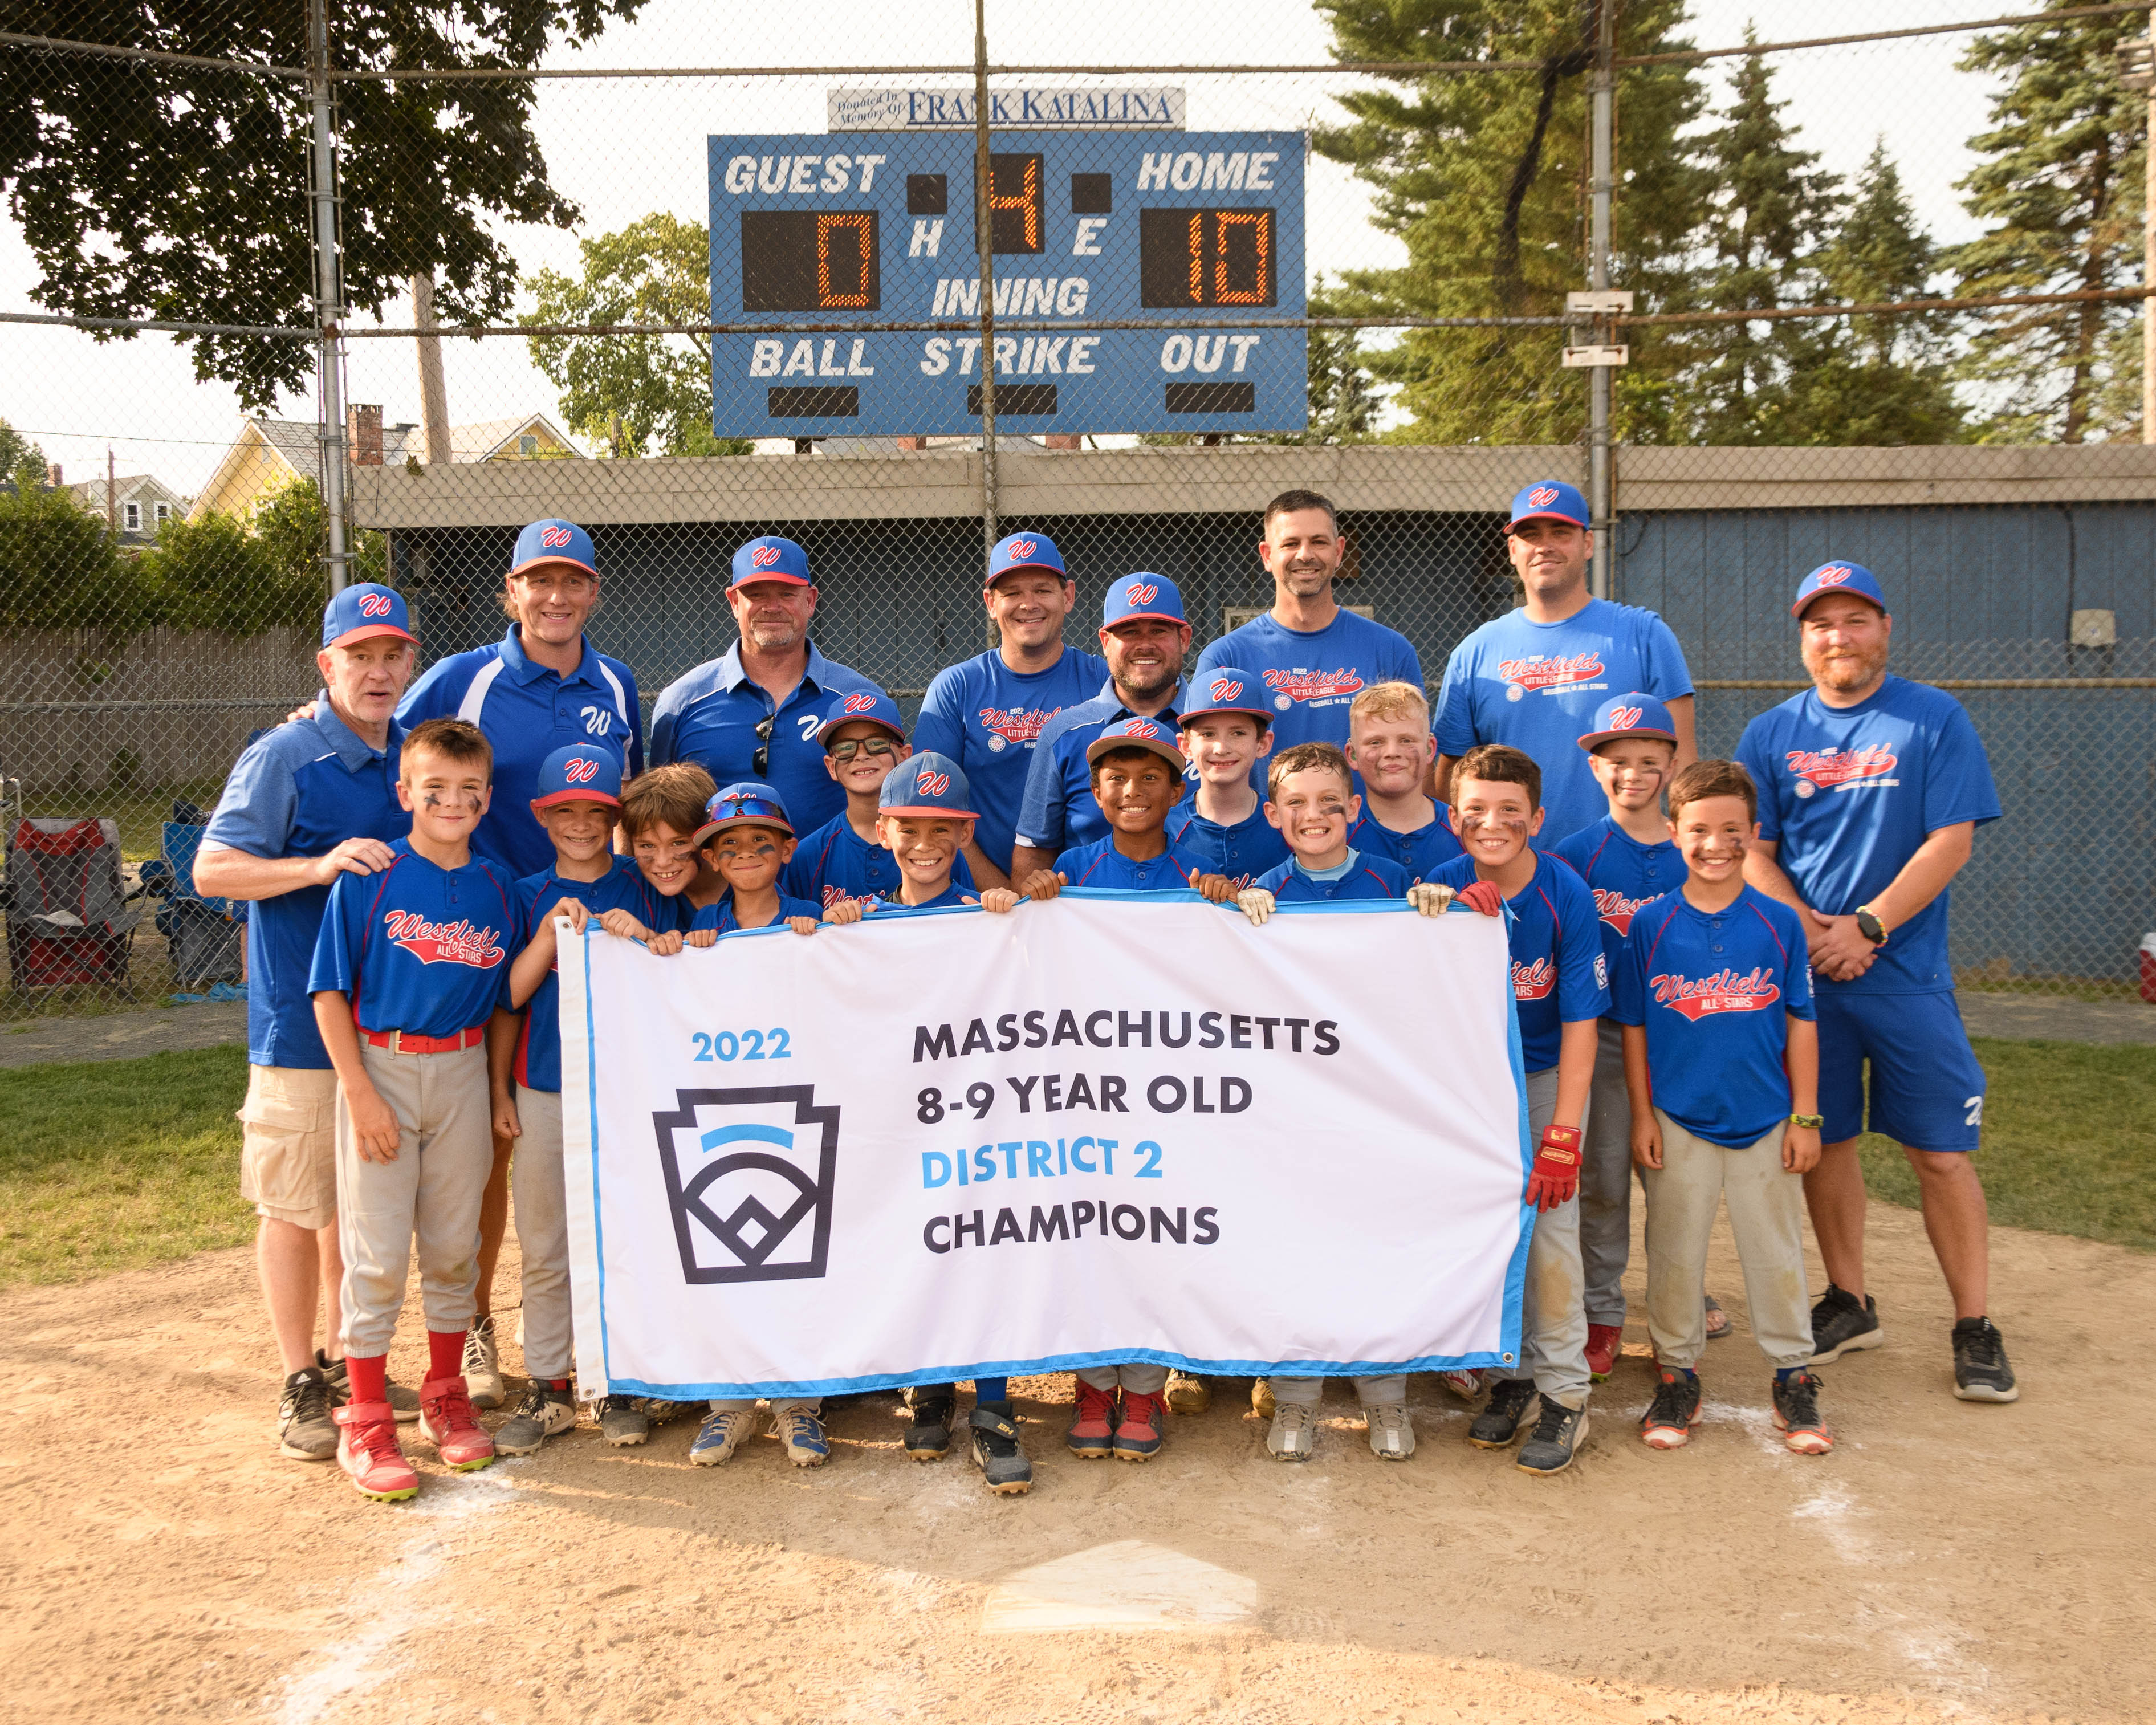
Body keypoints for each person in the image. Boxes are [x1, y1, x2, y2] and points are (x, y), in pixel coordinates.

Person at [1734, 562, 2013, 1402]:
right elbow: (1755, 850)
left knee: (1940, 1153)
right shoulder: (1772, 731)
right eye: (1820, 624)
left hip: (1905, 975)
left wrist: (1867, 925)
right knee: (1827, 1141)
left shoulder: (1931, 718)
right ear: (1802, 640)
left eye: (1853, 620)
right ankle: (1849, 1300)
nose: (1837, 637)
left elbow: (1950, 839)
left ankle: (1973, 1323)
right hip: (1813, 977)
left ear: (1883, 629)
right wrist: (1812, 934)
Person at [394, 516, 642, 1413]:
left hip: (570, 914)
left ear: (593, 593)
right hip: (481, 910)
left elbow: (626, 796)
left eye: (573, 580)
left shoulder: (614, 682)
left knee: (547, 1152)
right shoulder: (464, 675)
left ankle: (593, 1339)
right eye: (539, 580)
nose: (556, 596)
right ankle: (475, 1329)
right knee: (487, 1150)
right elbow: (402, 750)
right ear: (511, 591)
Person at [194, 583, 421, 1464]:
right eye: (358, 655)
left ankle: (346, 1360)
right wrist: (313, 865)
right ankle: (300, 1375)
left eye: (391, 654)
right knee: (295, 1203)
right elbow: (213, 870)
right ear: (326, 665)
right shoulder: (286, 755)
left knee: (355, 1207)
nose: (376, 669)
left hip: (388, 1020)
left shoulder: (409, 752)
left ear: (411, 665)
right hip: (298, 1019)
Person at [307, 718, 520, 1501]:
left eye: (468, 789)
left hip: (463, 1068)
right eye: (434, 788)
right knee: (375, 1251)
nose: (451, 801)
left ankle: (443, 1392)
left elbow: (503, 1003)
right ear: (404, 793)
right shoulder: (370, 877)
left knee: (453, 1247)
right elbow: (329, 991)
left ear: (487, 797)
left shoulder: (498, 886)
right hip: (382, 1065)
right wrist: (359, 1091)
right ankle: (364, 1411)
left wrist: (496, 1087)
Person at [1229, 741, 1460, 1463]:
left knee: (1374, 1244)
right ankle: (1296, 1398)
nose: (1314, 815)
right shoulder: (1261, 891)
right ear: (1272, 814)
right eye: (1295, 803)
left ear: (1356, 810)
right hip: (1289, 1112)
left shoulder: (1395, 882)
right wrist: (1237, 922)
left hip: (1373, 1108)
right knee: (1295, 1246)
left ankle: (1383, 1396)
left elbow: (1434, 983)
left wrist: (1434, 918)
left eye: (1331, 801)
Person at [1015, 721, 1234, 1462]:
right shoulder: (1073, 868)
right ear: (1094, 789)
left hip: (1170, 1093)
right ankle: (1090, 1380)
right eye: (1114, 777)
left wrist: (1223, 905)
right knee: (1091, 1230)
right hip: (1087, 1093)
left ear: (1178, 790)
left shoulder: (1199, 868)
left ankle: (1142, 1385)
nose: (1131, 791)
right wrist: (1035, 895)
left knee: (1157, 1234)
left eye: (1149, 778)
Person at [823, 756, 1034, 1491]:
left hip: (981, 1119)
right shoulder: (862, 921)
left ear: (963, 832)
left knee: (989, 1247)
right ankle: (934, 1385)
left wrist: (1015, 921)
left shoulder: (991, 919)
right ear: (883, 830)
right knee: (915, 1246)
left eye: (941, 829)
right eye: (909, 827)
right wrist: (826, 933)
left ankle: (997, 1403)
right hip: (898, 1124)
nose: (925, 843)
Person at [1616, 759, 1832, 1455]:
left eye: (1732, 829)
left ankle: (1791, 1374)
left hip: (1765, 1115)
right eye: (1700, 828)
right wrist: (1644, 1116)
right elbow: (1636, 1029)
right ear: (1672, 831)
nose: (1716, 842)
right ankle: (1677, 1372)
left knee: (1773, 1250)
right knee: (1673, 1251)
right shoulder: (1649, 923)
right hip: (1677, 1116)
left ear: (1753, 832)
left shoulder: (1777, 922)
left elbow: (1801, 1018)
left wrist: (1803, 1115)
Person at [1427, 744, 1609, 1475]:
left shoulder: (1566, 893)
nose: (1491, 823)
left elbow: (1578, 1024)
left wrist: (1563, 1131)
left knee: (1552, 1230)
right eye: (1474, 810)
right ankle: (1513, 1375)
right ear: (1451, 818)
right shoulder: (1437, 885)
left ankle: (1566, 1392)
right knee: (1491, 1231)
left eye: (1509, 811)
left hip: (1540, 1077)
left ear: (1536, 817)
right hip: (1470, 1087)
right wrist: (1441, 920)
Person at [490, 744, 673, 1458]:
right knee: (545, 1242)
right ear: (542, 816)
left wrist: (645, 935)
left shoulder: (642, 882)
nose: (580, 823)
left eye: (595, 811)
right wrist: (546, 938)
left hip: (630, 1090)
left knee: (630, 1236)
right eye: (564, 811)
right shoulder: (526, 889)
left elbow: (680, 962)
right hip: (545, 1085)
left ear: (613, 816)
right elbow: (507, 996)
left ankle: (620, 1379)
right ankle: (550, 1382)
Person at [1548, 693, 1701, 1381]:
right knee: (1603, 1180)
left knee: (1681, 1185)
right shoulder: (1575, 855)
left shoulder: (1695, 848)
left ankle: (1678, 1310)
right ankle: (1602, 1311)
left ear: (1672, 763)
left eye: (1648, 760)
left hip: (1688, 1037)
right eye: (1615, 760)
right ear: (1592, 767)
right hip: (1608, 1038)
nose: (1631, 773)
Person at [676, 783, 829, 1469]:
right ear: (709, 856)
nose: (744, 854)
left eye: (761, 843)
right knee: (723, 1256)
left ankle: (800, 1403)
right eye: (728, 846)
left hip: (804, 1107)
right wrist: (683, 955)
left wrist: (836, 933)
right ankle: (727, 1403)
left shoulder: (815, 918)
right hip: (727, 1112)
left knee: (803, 1256)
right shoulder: (702, 931)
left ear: (787, 849)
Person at [1433, 481, 1697, 842]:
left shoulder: (1644, 635)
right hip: (1511, 865)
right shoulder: (1475, 652)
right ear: (1513, 549)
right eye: (1531, 535)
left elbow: (1683, 770)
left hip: (1620, 868)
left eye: (1560, 532)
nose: (1545, 546)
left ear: (1588, 544)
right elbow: (1449, 782)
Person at [650, 535, 885, 836]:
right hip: (723, 880)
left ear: (810, 601)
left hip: (833, 880)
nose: (772, 607)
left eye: (787, 594)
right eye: (757, 595)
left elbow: (889, 805)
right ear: (735, 603)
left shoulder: (859, 699)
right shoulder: (682, 701)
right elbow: (655, 815)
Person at [1191, 489, 1423, 788]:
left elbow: (1416, 763)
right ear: (1267, 555)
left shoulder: (1391, 651)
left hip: (1363, 829)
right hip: (1261, 829)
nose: (1305, 554)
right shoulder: (1226, 657)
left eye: (1318, 542)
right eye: (1290, 543)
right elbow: (1203, 766)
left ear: (1339, 552)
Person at [913, 531, 1110, 876]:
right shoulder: (957, 687)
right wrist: (997, 891)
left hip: (1089, 890)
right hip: (982, 896)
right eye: (1012, 593)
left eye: (1043, 590)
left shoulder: (1103, 679)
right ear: (991, 603)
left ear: (1068, 596)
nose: (1028, 604)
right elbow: (933, 805)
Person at [1010, 574, 1195, 878]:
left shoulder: (1215, 727)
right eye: (1130, 632)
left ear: (1184, 639)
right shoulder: (1064, 732)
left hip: (1200, 915)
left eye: (1159, 631)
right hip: (1091, 917)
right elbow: (1034, 850)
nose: (1145, 645)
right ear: (1106, 643)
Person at [784, 689, 994, 910]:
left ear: (904, 756)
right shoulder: (810, 855)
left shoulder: (938, 848)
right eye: (845, 748)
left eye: (877, 744)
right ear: (830, 766)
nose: (861, 755)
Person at [1164, 666, 1289, 892]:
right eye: (1208, 734)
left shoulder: (1287, 824)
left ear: (1263, 743)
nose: (1221, 748)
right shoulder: (1166, 828)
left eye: (1238, 733)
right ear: (1186, 746)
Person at [1343, 681, 1465, 880]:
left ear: (1430, 749)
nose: (1392, 753)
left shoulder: (1463, 830)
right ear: (1353, 755)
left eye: (1406, 740)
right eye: (1376, 742)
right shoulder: (1337, 832)